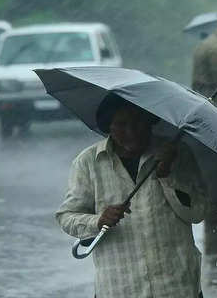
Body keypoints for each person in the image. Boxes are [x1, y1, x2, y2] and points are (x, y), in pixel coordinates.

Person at [55, 96, 208, 298]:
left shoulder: (177, 154)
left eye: (138, 123)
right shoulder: (88, 163)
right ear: (108, 126)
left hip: (177, 286)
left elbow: (196, 213)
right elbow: (67, 217)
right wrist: (98, 220)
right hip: (119, 287)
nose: (131, 132)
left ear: (150, 122)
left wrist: (167, 176)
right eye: (121, 125)